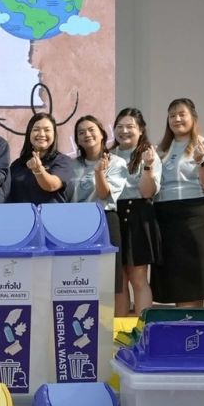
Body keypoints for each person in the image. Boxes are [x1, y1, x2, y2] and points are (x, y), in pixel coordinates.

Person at [151, 98, 204, 308]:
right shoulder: (161, 150)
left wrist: (201, 162)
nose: (177, 119)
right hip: (166, 218)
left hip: (198, 217)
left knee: (193, 279)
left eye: (182, 114)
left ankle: (192, 323)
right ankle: (180, 322)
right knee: (174, 279)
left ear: (193, 117)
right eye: (172, 115)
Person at [68, 114, 129, 299]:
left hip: (105, 221)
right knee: (79, 277)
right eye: (81, 132)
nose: (87, 135)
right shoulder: (71, 165)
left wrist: (99, 172)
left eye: (91, 130)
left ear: (102, 134)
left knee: (108, 281)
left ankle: (109, 318)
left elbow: (104, 195)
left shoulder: (116, 162)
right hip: (76, 224)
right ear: (77, 139)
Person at [110, 108, 161, 316]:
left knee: (138, 278)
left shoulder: (148, 155)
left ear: (141, 130)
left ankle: (143, 328)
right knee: (119, 280)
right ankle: (118, 328)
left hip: (138, 215)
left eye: (130, 126)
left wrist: (148, 166)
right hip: (113, 216)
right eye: (119, 126)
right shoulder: (108, 155)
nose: (124, 131)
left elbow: (147, 192)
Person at [6, 112, 75, 203]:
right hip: (21, 212)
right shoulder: (17, 165)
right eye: (36, 129)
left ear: (54, 134)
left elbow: (52, 186)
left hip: (52, 212)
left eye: (47, 130)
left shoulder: (63, 161)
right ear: (29, 134)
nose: (41, 134)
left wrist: (38, 170)